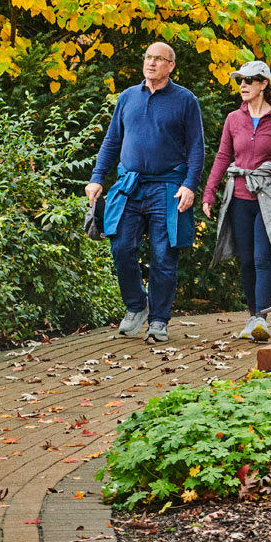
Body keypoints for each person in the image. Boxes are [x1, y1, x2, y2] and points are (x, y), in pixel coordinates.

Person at [85, 43, 206, 344]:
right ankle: (137, 305)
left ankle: (159, 321)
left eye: (158, 59)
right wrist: (98, 177)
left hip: (168, 187)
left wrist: (190, 185)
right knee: (121, 246)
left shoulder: (185, 100)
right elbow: (112, 141)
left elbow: (196, 147)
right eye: (148, 57)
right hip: (129, 186)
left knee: (164, 255)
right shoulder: (128, 97)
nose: (151, 63)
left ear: (171, 66)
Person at [202, 60, 271, 342]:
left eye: (249, 81)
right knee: (247, 261)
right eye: (240, 80)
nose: (243, 86)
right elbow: (223, 157)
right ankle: (252, 316)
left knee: (263, 258)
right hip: (239, 198)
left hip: (269, 200)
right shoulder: (233, 119)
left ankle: (261, 318)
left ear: (264, 84)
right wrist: (209, 192)